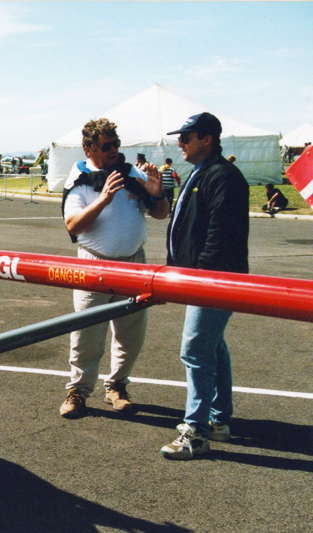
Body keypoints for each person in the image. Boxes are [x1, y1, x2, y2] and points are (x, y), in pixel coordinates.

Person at [59, 118, 169, 418]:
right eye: (106, 146)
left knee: (131, 333)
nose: (113, 150)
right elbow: (73, 225)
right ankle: (78, 391)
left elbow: (159, 213)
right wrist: (104, 199)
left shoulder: (129, 172)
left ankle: (117, 386)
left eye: (116, 144)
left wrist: (157, 193)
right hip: (94, 264)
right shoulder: (80, 178)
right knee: (86, 333)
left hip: (134, 264)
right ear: (88, 148)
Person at [161, 112, 249, 460]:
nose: (180, 143)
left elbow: (218, 238)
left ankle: (196, 431)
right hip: (202, 279)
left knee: (196, 350)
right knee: (213, 348)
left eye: (187, 136)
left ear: (207, 139)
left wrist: (197, 280)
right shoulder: (201, 173)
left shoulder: (223, 177)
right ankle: (219, 420)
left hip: (212, 280)